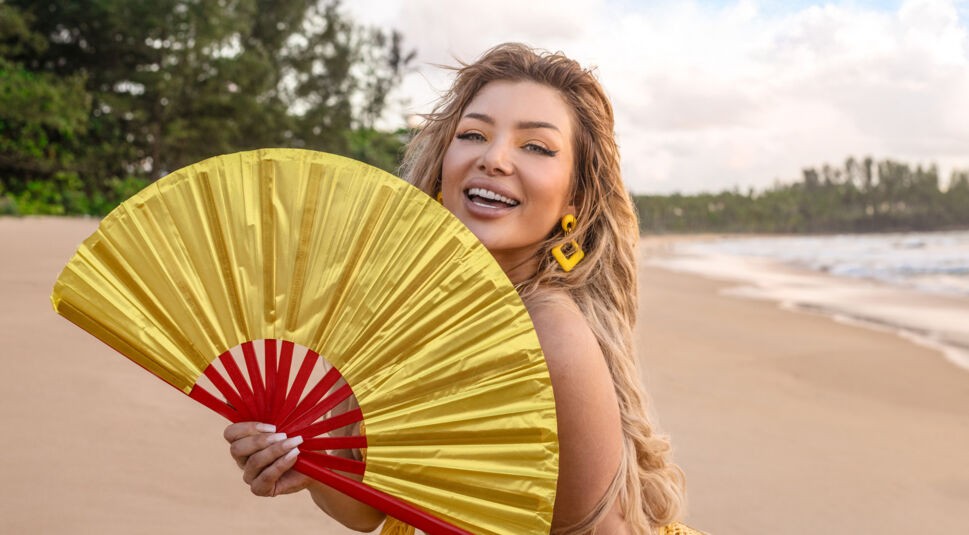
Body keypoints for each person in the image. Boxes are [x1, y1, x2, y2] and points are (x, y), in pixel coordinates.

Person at [223, 43, 691, 534]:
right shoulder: (393, 311)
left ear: (573, 198)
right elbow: (364, 508)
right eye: (473, 134)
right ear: (443, 166)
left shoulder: (551, 338)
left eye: (536, 146)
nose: (494, 158)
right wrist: (302, 464)